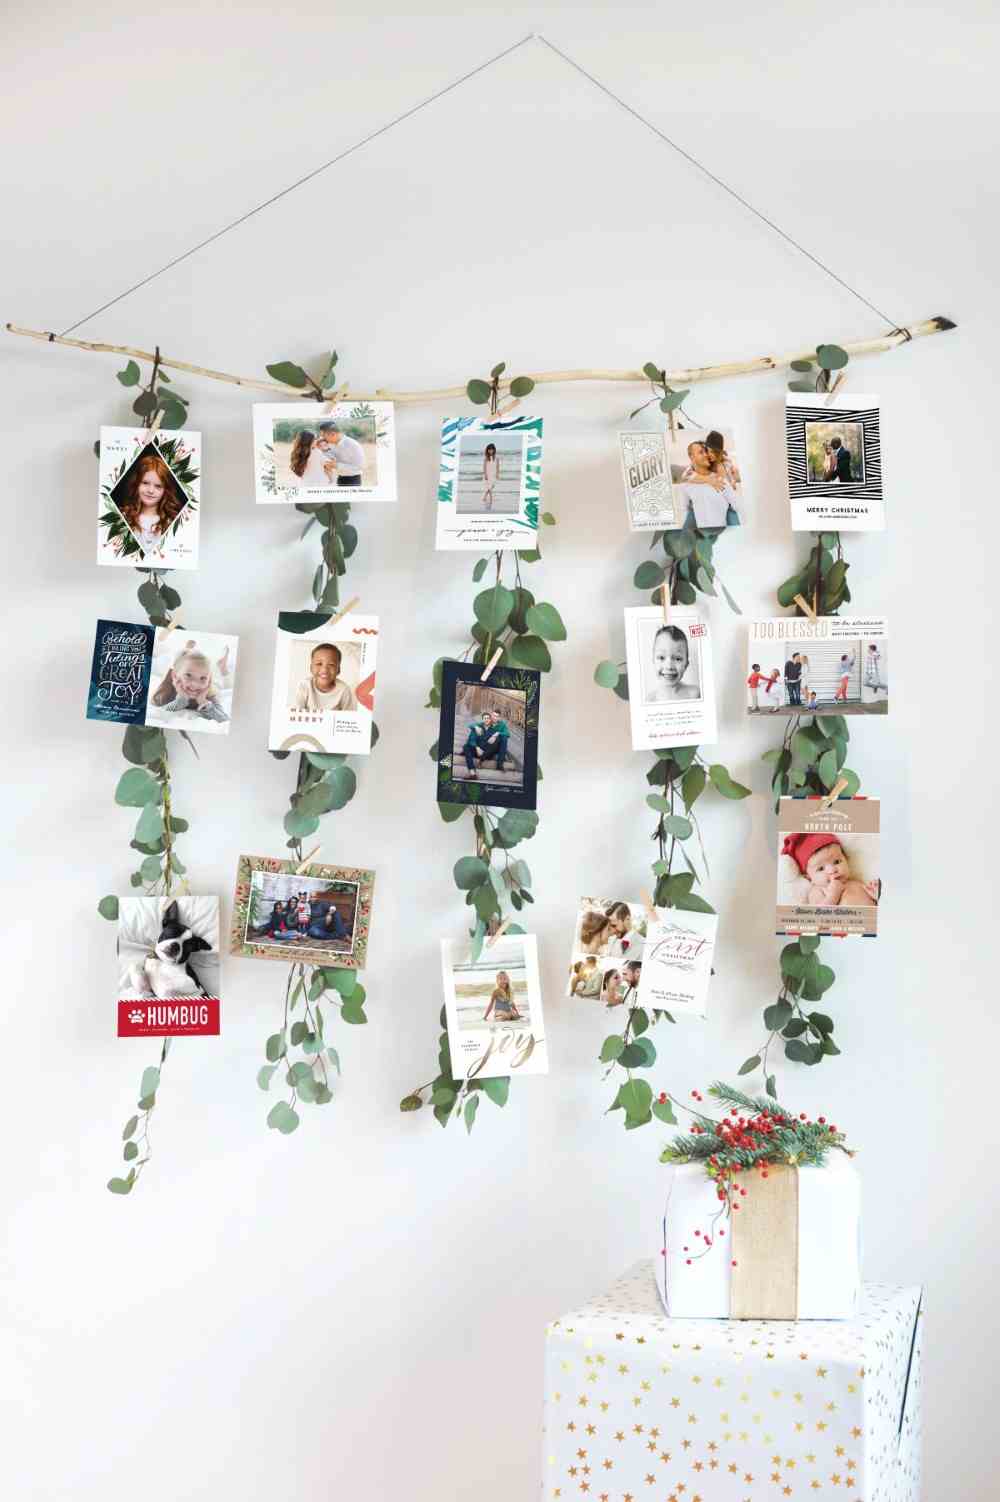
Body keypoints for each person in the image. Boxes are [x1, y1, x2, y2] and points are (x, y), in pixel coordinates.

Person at [782, 833, 879, 909]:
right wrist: (833, 896)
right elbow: (819, 916)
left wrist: (876, 895)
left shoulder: (856, 883)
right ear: (808, 877)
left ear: (846, 859)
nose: (832, 870)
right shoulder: (818, 891)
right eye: (821, 868)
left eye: (837, 861)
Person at [150, 640, 230, 723]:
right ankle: (186, 652)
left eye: (202, 678)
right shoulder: (166, 691)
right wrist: (182, 699)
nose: (195, 684)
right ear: (175, 676)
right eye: (188, 675)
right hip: (177, 672)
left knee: (224, 686)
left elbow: (225, 720)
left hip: (215, 685)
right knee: (180, 665)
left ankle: (222, 668)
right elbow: (160, 712)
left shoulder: (210, 694)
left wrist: (203, 702)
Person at [121, 454, 184, 552]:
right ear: (136, 484)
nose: (150, 490)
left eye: (158, 486)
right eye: (145, 483)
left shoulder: (172, 522)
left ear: (165, 490)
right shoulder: (124, 517)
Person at [674, 440, 736, 528]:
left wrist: (727, 479)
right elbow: (685, 476)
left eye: (707, 451)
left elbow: (737, 504)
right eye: (701, 452)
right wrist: (709, 480)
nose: (707, 454)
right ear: (691, 457)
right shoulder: (687, 481)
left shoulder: (721, 464)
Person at [294, 642, 357, 713]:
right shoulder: (304, 685)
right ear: (311, 668)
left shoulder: (344, 690)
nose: (324, 670)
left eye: (331, 664)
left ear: (338, 670)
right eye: (319, 664)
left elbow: (349, 716)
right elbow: (296, 712)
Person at [648, 625, 699, 703]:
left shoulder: (695, 694)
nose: (669, 666)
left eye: (678, 659)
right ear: (653, 661)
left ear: (686, 664)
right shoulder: (650, 700)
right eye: (661, 657)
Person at [315, 421, 365, 487]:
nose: (322, 438)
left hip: (353, 481)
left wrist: (336, 465)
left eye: (323, 436)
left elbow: (359, 467)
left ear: (333, 434)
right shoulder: (329, 445)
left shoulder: (353, 445)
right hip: (340, 479)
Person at [462, 709, 510, 777]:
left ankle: (499, 763)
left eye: (496, 716)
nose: (494, 718)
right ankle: (472, 772)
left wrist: (497, 733)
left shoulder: (499, 726)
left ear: (499, 718)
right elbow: (471, 727)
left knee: (503, 738)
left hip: (490, 749)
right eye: (493, 716)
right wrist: (475, 727)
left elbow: (507, 734)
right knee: (466, 746)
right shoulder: (482, 724)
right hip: (480, 748)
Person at [481, 442, 500, 509]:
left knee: (491, 487)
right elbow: (484, 467)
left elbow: (498, 467)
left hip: (493, 474)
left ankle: (485, 497)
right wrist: (485, 474)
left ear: (494, 450)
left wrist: (497, 474)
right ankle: (490, 498)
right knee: (489, 487)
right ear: (487, 450)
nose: (491, 451)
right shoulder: (486, 458)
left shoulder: (496, 458)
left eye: (492, 449)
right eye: (489, 449)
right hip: (488, 474)